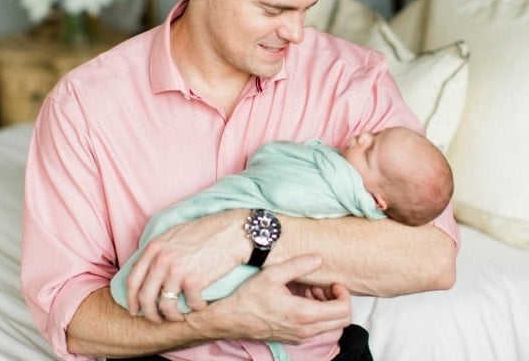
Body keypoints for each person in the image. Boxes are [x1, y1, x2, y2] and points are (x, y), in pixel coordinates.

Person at [21, 0, 460, 361]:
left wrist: (247, 232)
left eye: (305, 9)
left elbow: (433, 258)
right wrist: (221, 318)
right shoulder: (84, 108)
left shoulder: (351, 80)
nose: (296, 34)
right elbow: (71, 318)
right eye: (273, 10)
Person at [109, 126, 452, 361]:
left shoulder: (339, 187)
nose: (362, 135)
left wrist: (248, 231)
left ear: (377, 200)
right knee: (175, 241)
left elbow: (281, 187)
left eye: (371, 150)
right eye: (374, 135)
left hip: (325, 350)